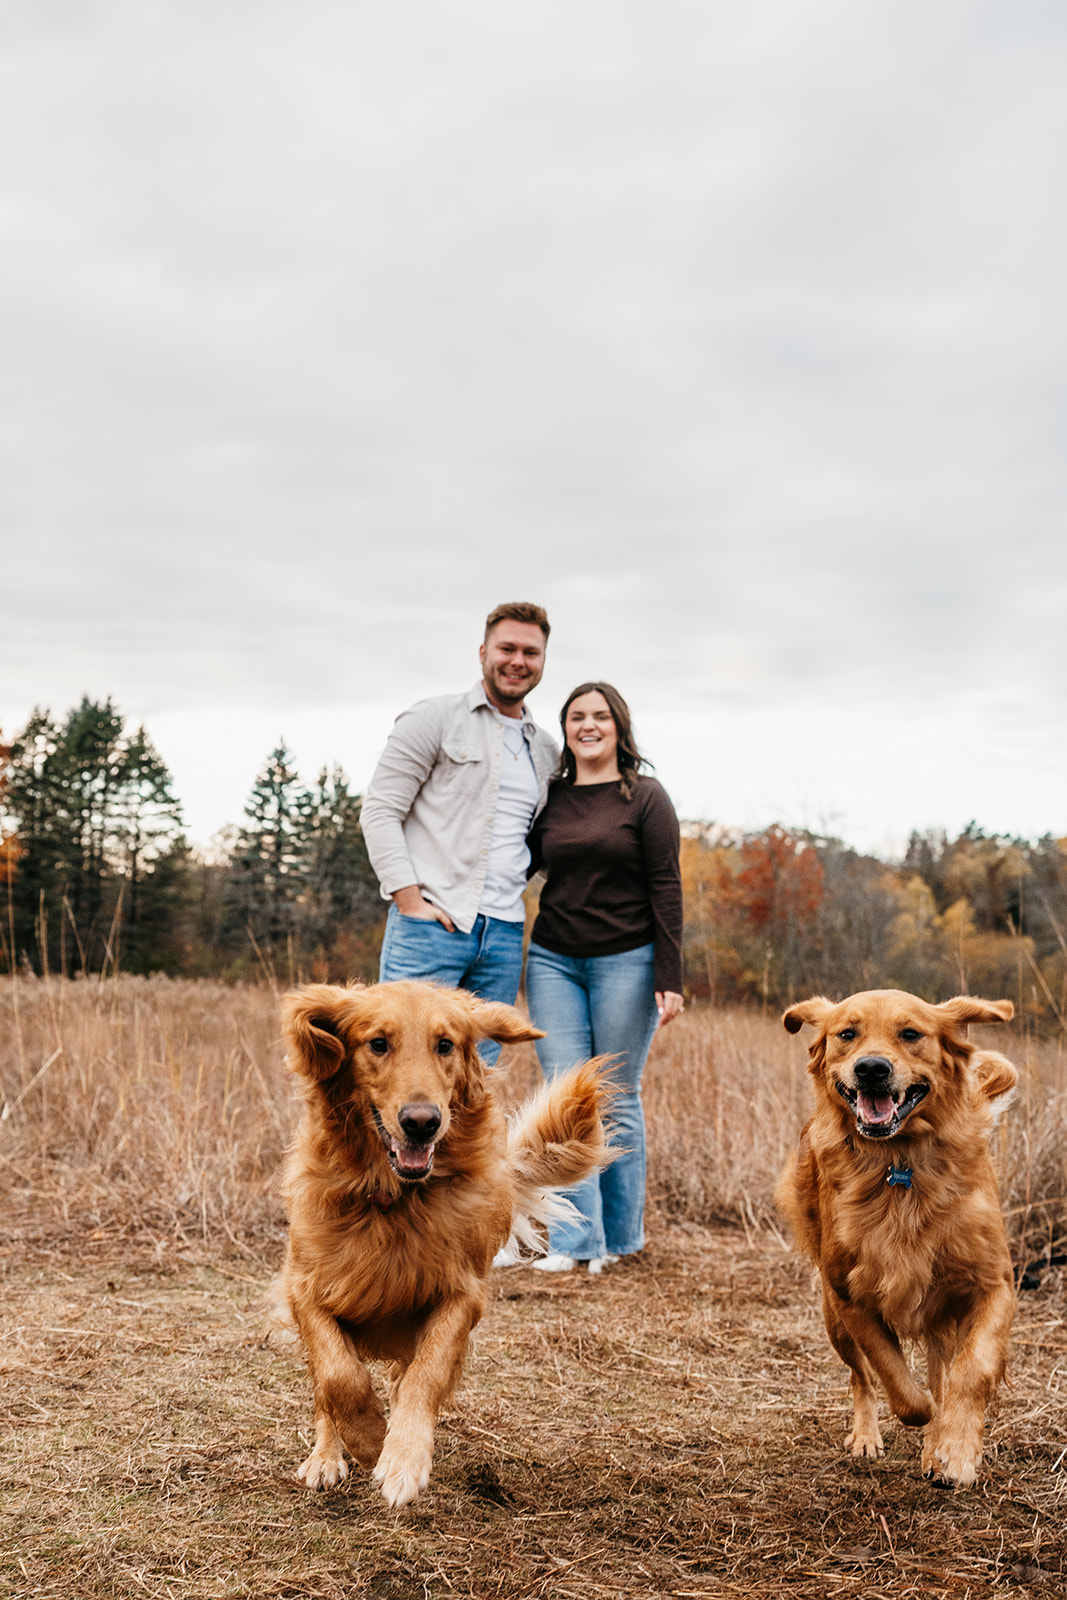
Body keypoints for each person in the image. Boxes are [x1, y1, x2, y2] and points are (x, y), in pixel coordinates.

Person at [523, 681, 683, 1273]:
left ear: (619, 726)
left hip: (627, 960)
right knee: (565, 1095)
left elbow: (667, 886)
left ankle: (621, 1240)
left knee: (614, 1097)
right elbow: (520, 861)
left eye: (599, 716)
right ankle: (575, 1242)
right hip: (552, 959)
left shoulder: (645, 797)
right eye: (575, 717)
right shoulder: (554, 797)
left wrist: (671, 974)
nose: (587, 725)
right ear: (564, 729)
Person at [360, 602, 557, 1061]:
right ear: (484, 651)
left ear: (543, 661)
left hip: (505, 934)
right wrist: (410, 901)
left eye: (531, 652)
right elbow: (380, 811)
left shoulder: (546, 749)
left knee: (476, 1085)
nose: (517, 661)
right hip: (431, 927)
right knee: (404, 1074)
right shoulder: (434, 719)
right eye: (507, 648)